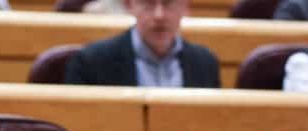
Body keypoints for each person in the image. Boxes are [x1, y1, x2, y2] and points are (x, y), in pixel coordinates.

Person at [63, 0, 220, 88]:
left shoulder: (206, 64)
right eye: (148, 3)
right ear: (129, 5)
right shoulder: (89, 62)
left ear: (186, 6)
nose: (159, 15)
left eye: (169, 2)